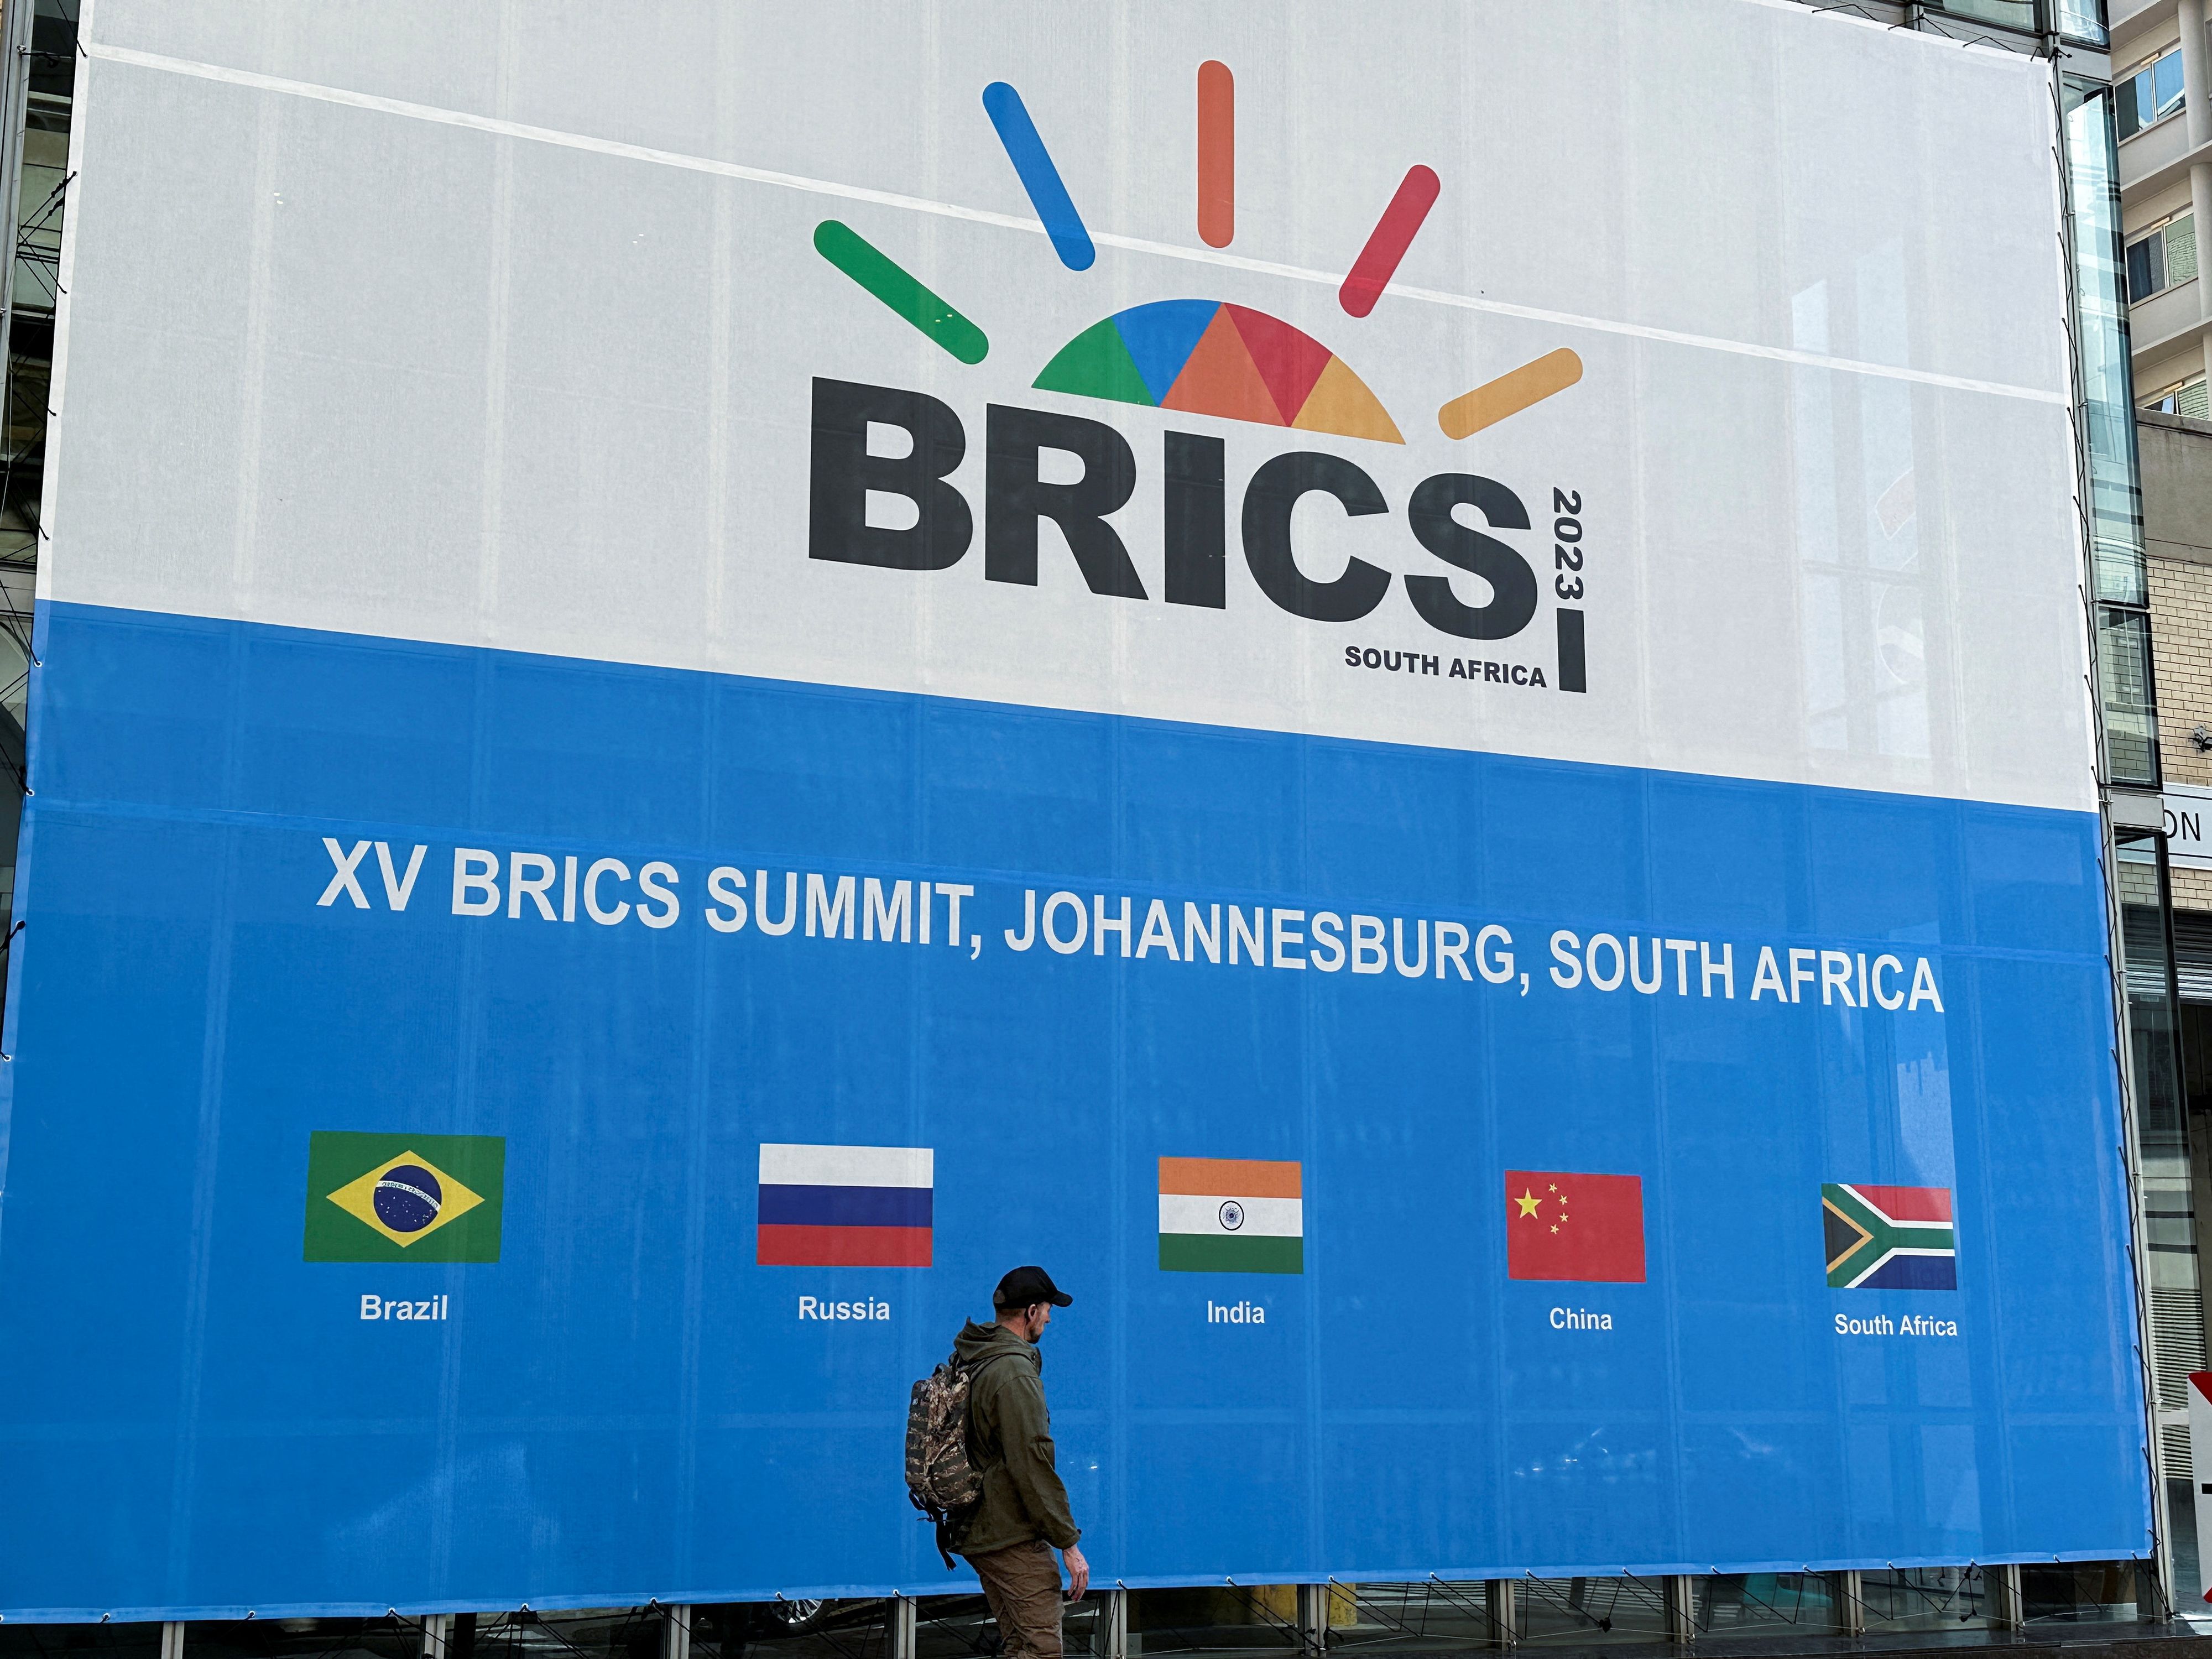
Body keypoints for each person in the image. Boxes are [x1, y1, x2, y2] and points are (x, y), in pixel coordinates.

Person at [952, 1265, 1089, 1659]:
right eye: (1047, 1309)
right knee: (1041, 1648)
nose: (1049, 1317)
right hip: (1008, 1531)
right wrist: (1068, 1542)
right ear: (1031, 1312)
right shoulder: (1012, 1373)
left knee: (1019, 1645)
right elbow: (1031, 1462)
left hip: (981, 1526)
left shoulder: (975, 1355)